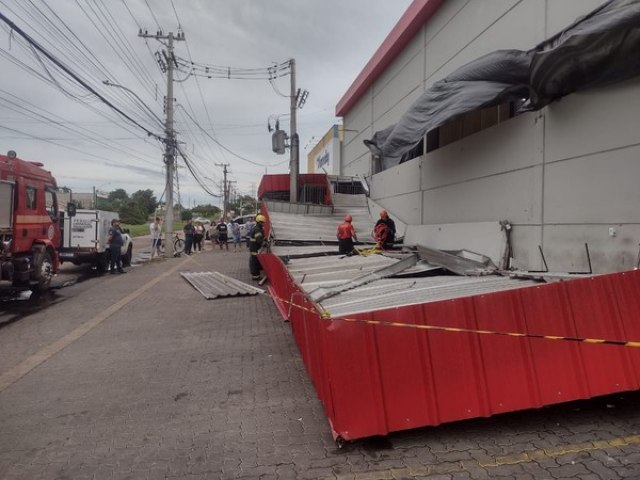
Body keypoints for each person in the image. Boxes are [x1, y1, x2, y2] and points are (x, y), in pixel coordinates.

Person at [249, 214, 266, 280]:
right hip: (255, 248)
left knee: (253, 261)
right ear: (259, 222)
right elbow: (259, 240)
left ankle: (256, 274)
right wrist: (265, 243)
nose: (263, 224)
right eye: (262, 223)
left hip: (253, 247)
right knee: (255, 262)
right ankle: (255, 276)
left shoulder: (256, 227)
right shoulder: (257, 229)